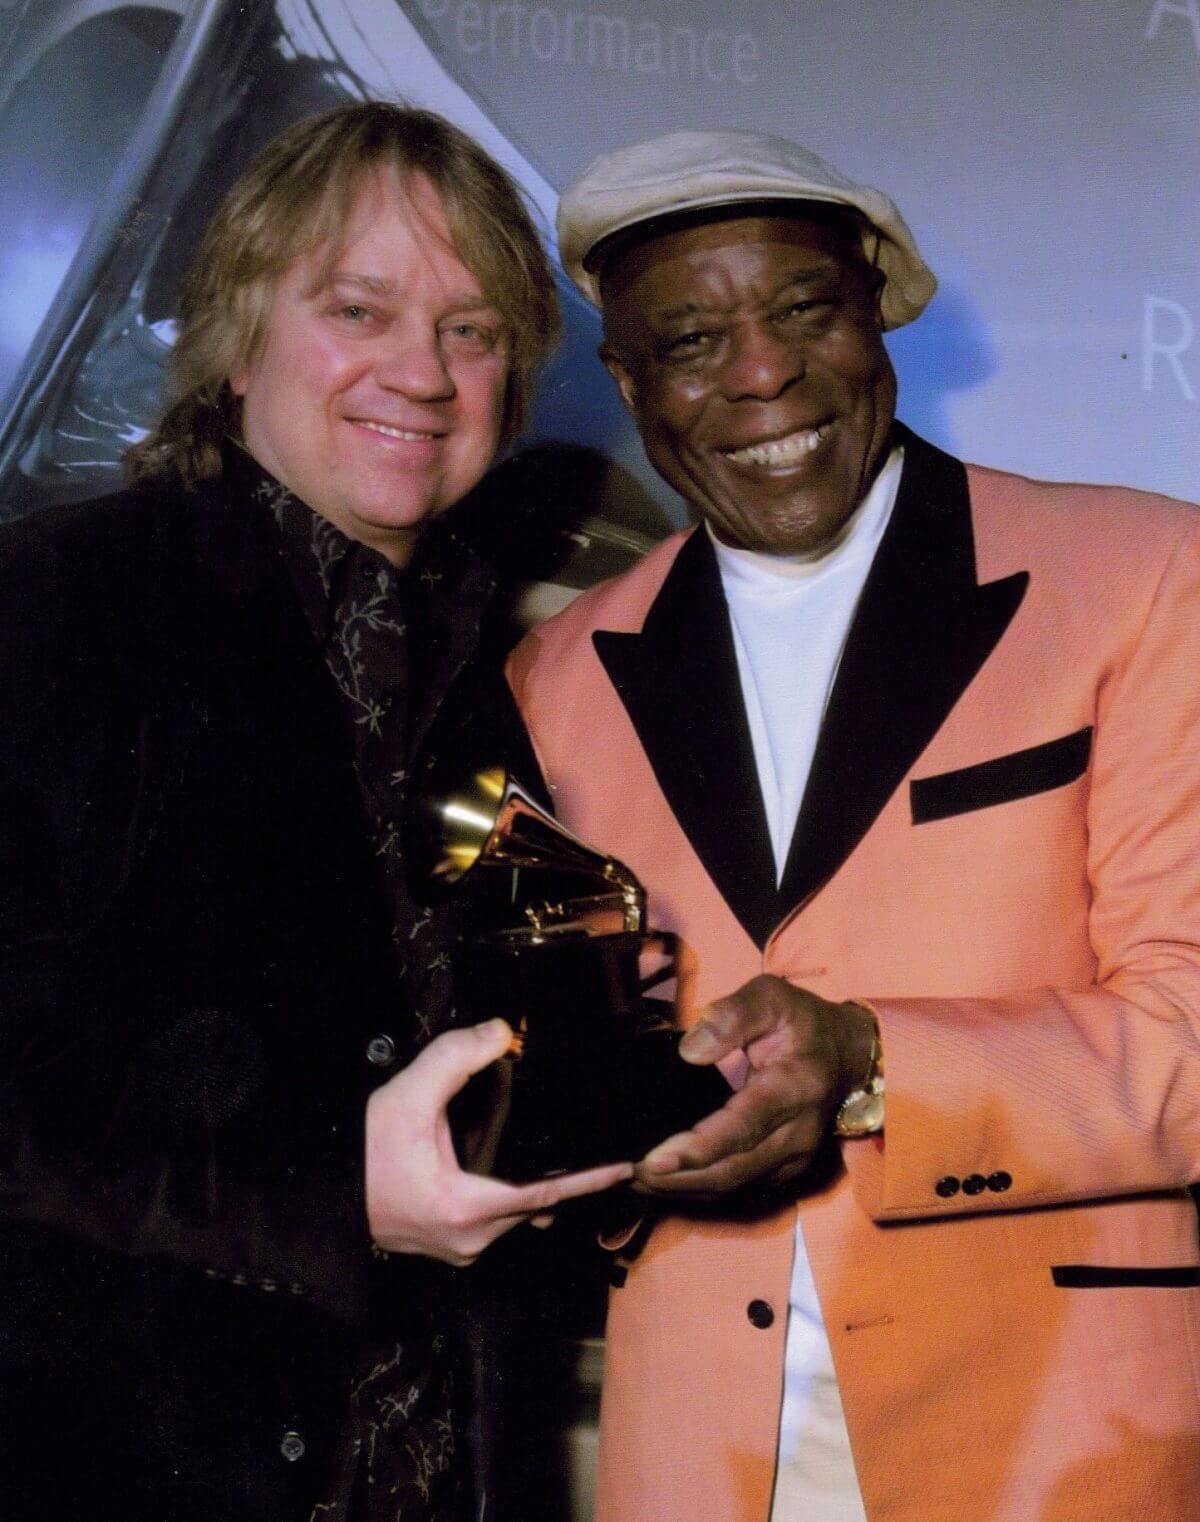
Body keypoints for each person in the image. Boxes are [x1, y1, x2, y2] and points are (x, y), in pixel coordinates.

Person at [505, 128, 1200, 1521]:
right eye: (693, 341)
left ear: (878, 309)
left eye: (807, 309)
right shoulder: (556, 675)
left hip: (1057, 1436)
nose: (764, 373)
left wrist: (872, 1061)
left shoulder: (1146, 575)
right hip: (695, 1453)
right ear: (629, 384)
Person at [0, 102, 629, 1522]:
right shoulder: (53, 603)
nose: (423, 372)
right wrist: (328, 1191)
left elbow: (469, 1042)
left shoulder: (472, 673)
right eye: (359, 309)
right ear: (238, 335)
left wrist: (646, 1069)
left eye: (472, 331)